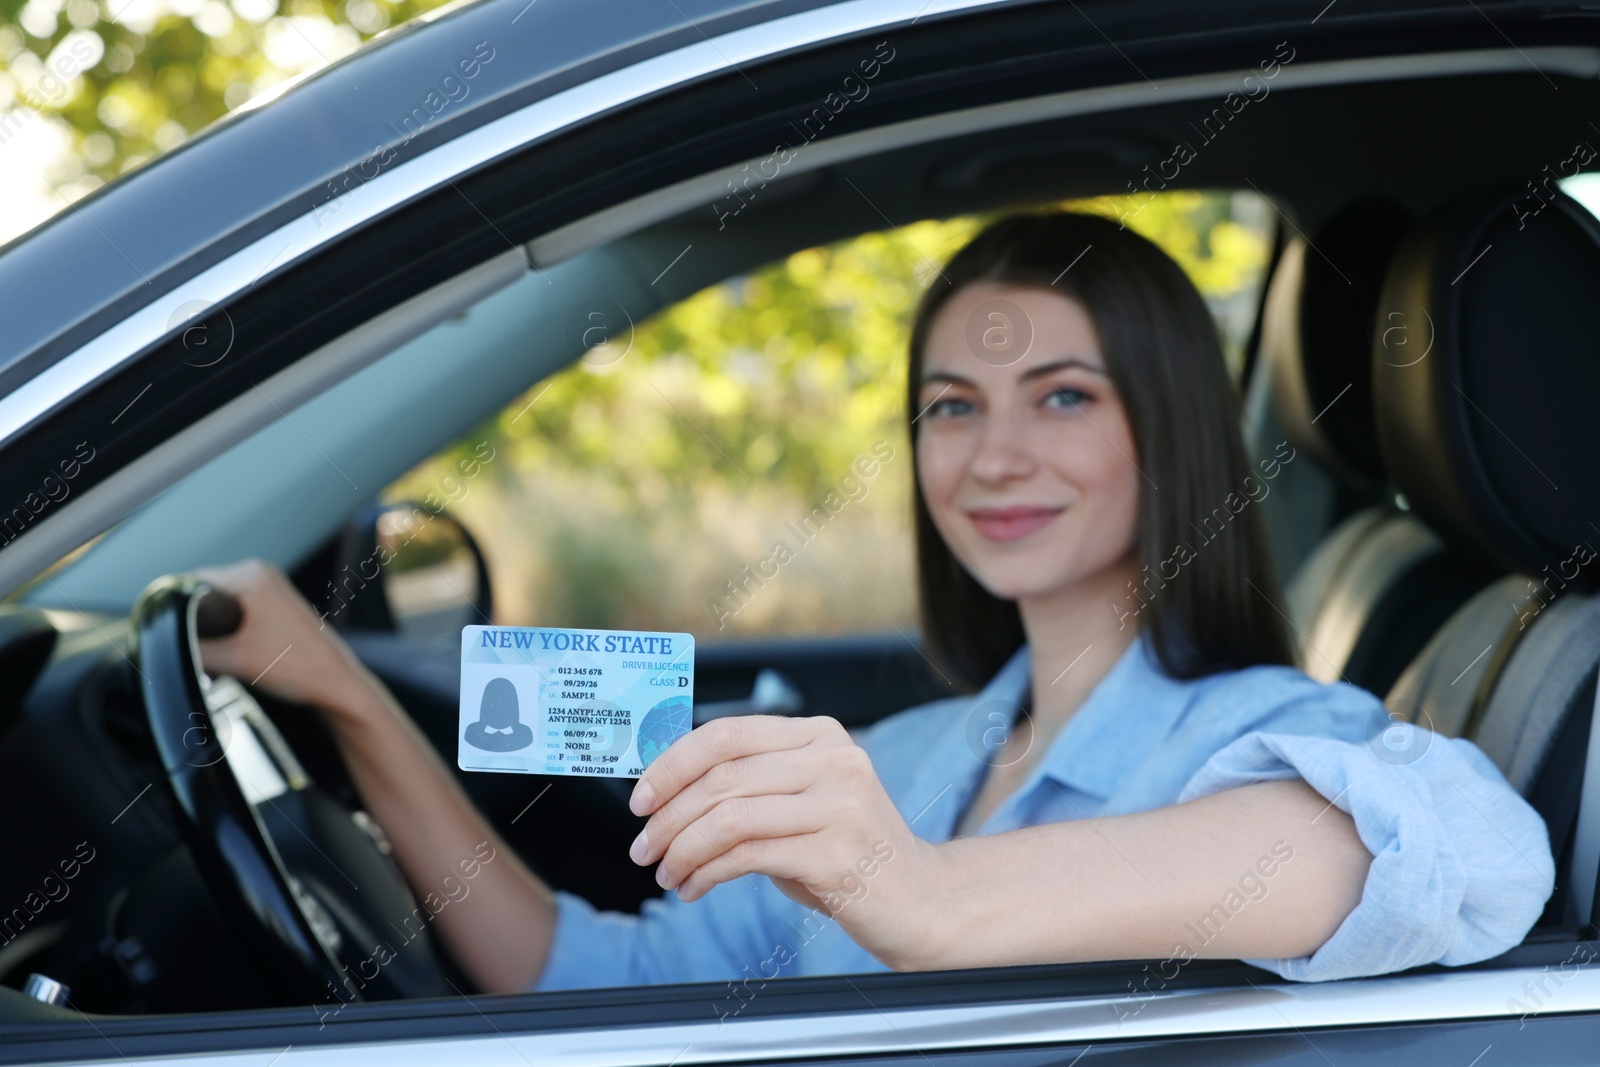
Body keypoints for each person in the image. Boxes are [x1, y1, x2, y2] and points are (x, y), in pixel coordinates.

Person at [197, 211, 1554, 997]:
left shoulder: (1253, 734)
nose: (993, 457)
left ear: (1173, 428)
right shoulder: (907, 761)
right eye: (950, 409)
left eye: (1063, 398)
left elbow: (1465, 853)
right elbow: (569, 976)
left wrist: (922, 895)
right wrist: (347, 696)